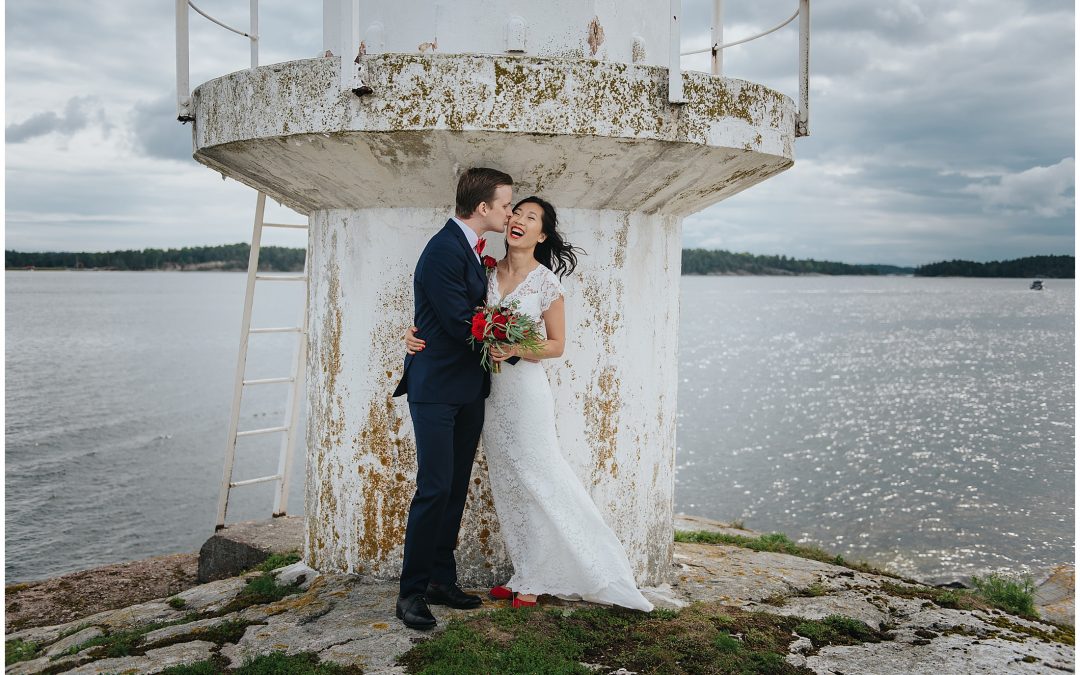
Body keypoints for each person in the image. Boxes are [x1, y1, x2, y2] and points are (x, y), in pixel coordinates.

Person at [405, 196, 653, 612]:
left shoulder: (546, 283)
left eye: (530, 217)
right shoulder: (483, 271)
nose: (518, 219)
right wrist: (414, 335)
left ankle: (581, 571)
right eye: (516, 212)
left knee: (541, 475)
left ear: (542, 234)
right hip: (484, 393)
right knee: (510, 483)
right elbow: (449, 314)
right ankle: (528, 573)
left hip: (524, 392)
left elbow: (556, 345)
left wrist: (514, 346)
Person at [391, 167, 515, 630]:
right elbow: (461, 321)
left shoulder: (472, 248)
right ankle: (411, 594)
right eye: (505, 204)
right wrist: (517, 348)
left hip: (467, 388)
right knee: (434, 488)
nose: (508, 212)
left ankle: (442, 580)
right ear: (482, 207)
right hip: (437, 389)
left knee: (456, 486)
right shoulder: (443, 249)